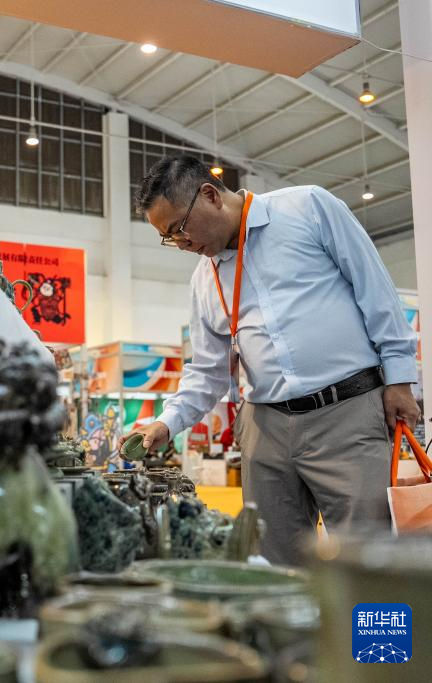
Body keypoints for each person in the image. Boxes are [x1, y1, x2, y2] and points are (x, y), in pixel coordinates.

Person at [121, 155, 419, 566]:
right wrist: (165, 423)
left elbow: (377, 292)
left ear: (209, 195)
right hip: (266, 429)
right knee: (273, 561)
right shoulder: (205, 279)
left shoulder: (308, 208)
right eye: (168, 238)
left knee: (367, 559)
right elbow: (207, 372)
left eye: (178, 229)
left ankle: (368, 613)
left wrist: (400, 378)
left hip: (348, 414)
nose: (182, 244)